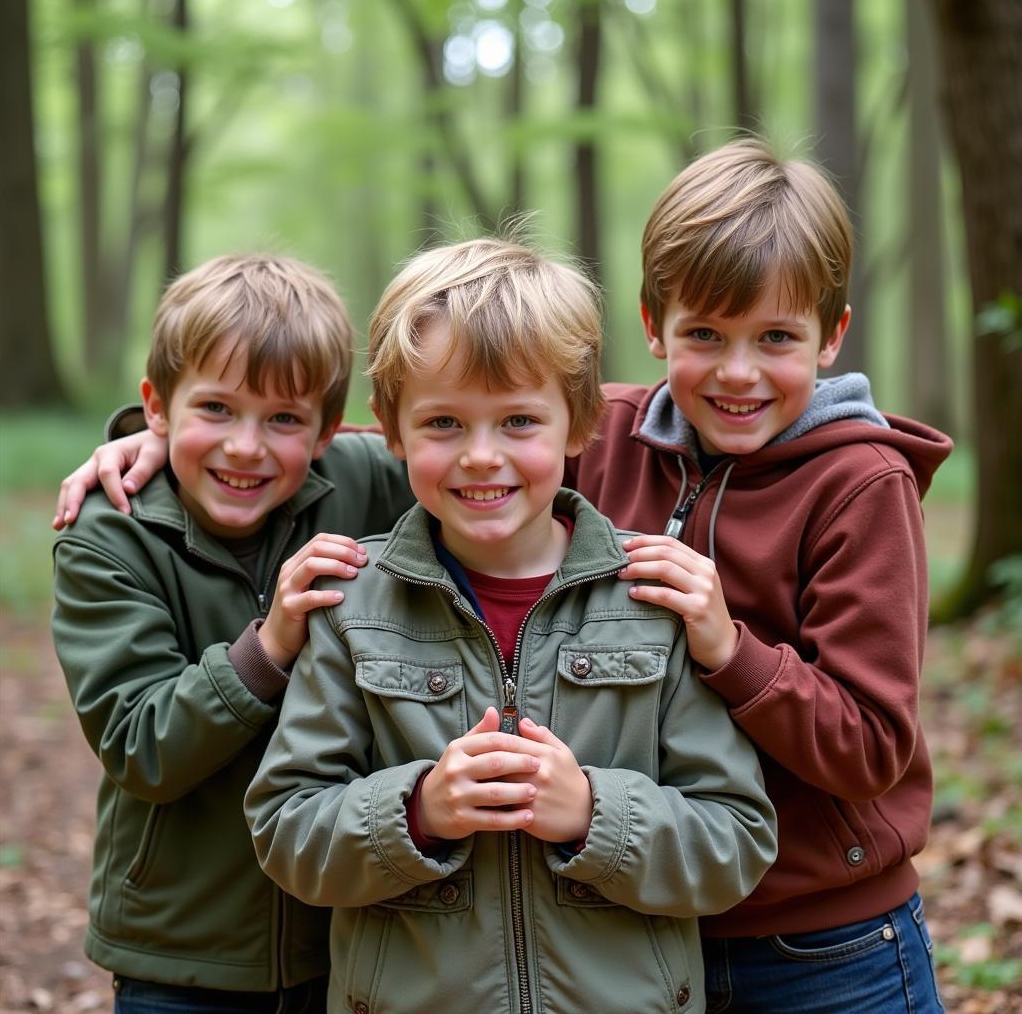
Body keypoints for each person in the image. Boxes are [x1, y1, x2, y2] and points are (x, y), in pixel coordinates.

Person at [242, 237, 777, 1014]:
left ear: (578, 424)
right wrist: (417, 811)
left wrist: (596, 813)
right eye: (445, 424)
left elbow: (735, 840)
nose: (481, 457)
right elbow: (286, 829)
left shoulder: (656, 596)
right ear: (391, 433)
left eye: (519, 420)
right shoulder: (351, 605)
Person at [565, 139, 953, 1012]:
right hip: (644, 937)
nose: (737, 373)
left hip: (828, 947)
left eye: (775, 337)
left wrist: (726, 646)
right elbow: (467, 457)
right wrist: (215, 455)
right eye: (704, 334)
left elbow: (870, 746)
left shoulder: (859, 485)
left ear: (831, 337)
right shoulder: (602, 438)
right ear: (652, 323)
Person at [50, 254, 415, 1013]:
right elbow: (139, 744)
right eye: (214, 409)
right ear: (157, 408)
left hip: (349, 938)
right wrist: (270, 644)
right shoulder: (107, 537)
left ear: (325, 431)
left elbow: (490, 435)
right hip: (181, 957)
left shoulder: (361, 480)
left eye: (283, 418)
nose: (245, 447)